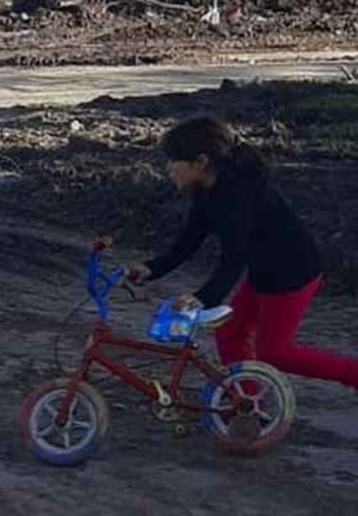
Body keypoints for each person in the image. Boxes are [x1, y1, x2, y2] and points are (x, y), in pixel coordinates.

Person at [126, 116, 358, 391]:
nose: (168, 169)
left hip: (292, 273)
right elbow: (189, 240)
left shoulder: (238, 193)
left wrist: (202, 299)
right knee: (230, 333)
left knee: (276, 353)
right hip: (264, 271)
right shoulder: (206, 189)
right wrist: (151, 269)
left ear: (199, 162)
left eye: (173, 161)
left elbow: (233, 258)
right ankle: (245, 401)